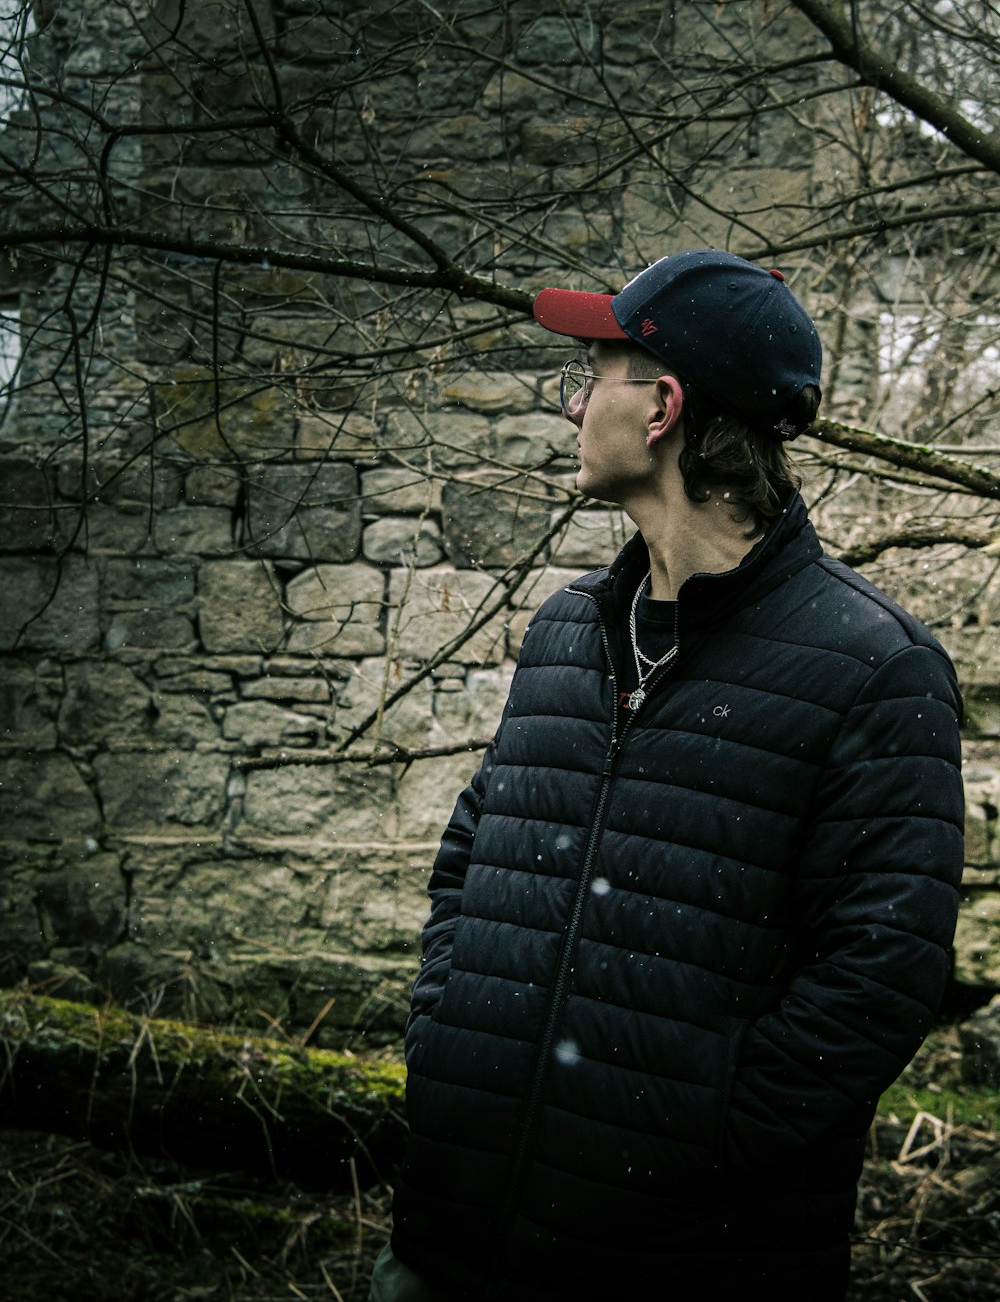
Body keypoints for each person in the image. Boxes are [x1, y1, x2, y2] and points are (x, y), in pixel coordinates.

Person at [370, 250, 965, 1302]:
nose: (570, 406)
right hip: (447, 1243)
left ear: (660, 408)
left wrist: (699, 1130)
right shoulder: (567, 630)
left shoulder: (875, 667)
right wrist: (446, 1048)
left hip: (681, 1264)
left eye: (589, 376)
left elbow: (879, 975)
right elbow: (472, 853)